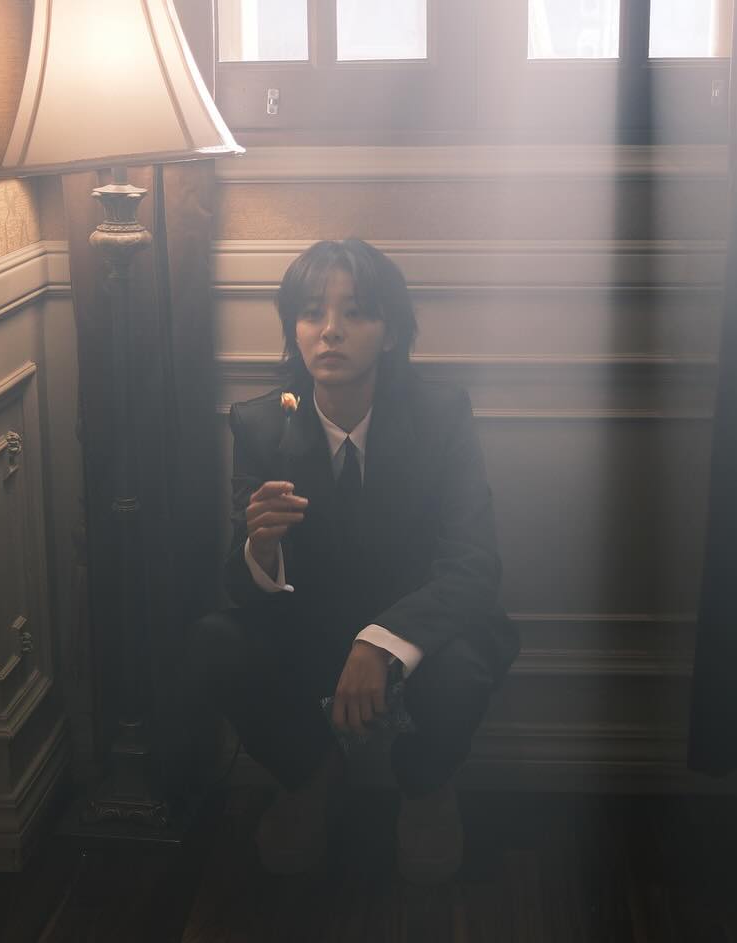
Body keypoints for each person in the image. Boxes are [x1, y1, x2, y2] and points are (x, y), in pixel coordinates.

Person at [189, 238, 519, 884]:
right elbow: (242, 591)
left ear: (390, 332)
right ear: (294, 330)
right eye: (312, 312)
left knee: (467, 661)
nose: (331, 330)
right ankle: (311, 779)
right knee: (213, 642)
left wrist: (381, 641)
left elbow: (474, 566)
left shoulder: (440, 416)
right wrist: (260, 549)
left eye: (356, 312)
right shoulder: (261, 424)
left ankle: (426, 788)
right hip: (312, 634)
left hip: (418, 637)